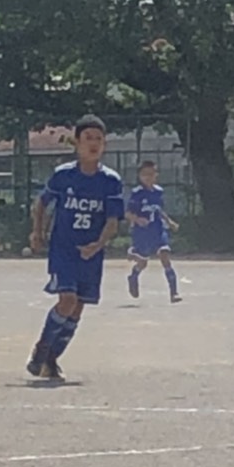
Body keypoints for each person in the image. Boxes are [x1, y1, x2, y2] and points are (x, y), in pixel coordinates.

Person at [27, 114, 124, 381]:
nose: (93, 144)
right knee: (67, 300)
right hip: (64, 249)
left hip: (91, 253)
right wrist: (38, 231)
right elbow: (42, 203)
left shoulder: (110, 181)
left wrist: (99, 244)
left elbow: (113, 220)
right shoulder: (64, 175)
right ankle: (41, 349)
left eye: (99, 139)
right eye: (87, 138)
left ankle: (51, 359)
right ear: (77, 143)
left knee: (78, 307)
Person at [126, 160, 181, 302]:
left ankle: (174, 292)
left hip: (158, 229)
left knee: (165, 255)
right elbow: (128, 213)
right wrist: (137, 219)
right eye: (145, 174)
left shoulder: (158, 192)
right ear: (139, 176)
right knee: (143, 262)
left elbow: (159, 210)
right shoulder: (137, 193)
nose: (148, 177)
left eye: (152, 174)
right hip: (143, 232)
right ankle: (134, 276)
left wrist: (169, 222)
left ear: (156, 175)